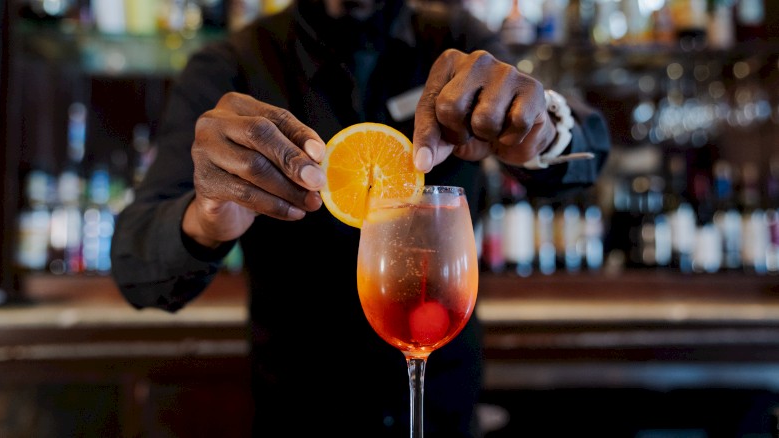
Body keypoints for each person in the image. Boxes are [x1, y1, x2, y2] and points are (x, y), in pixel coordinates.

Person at [110, 0, 610, 435]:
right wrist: (208, 219)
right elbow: (136, 269)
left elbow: (588, 149)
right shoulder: (231, 64)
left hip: (443, 410)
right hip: (301, 415)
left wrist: (539, 132)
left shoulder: (458, 41)